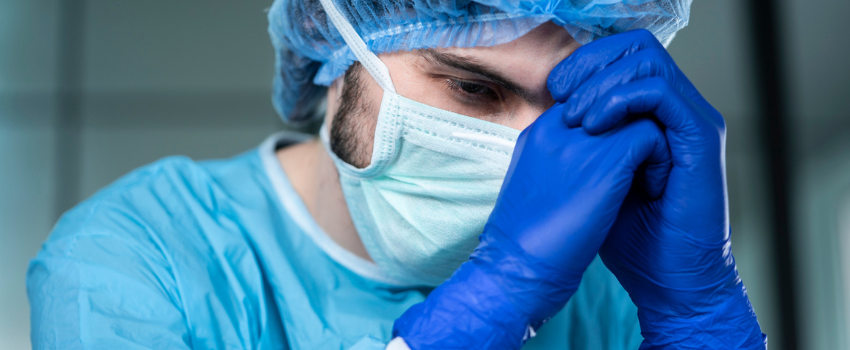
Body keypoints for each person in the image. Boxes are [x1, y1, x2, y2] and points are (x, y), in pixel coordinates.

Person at [27, 0, 767, 349]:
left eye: (562, 109)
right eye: (474, 89)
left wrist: (699, 317)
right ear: (337, 52)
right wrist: (488, 307)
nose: (526, 150)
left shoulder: (609, 290)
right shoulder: (131, 261)